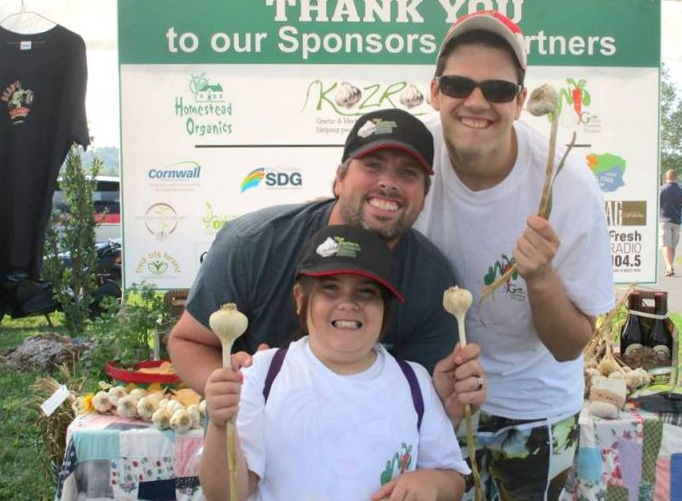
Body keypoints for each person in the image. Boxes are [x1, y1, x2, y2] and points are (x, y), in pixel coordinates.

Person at [168, 107, 485, 422]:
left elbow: (419, 405)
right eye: (373, 166)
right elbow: (188, 341)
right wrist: (239, 388)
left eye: (408, 173)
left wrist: (445, 400)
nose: (388, 183)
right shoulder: (252, 244)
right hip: (256, 446)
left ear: (424, 196)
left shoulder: (432, 280)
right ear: (339, 179)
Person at [413, 10, 615, 500]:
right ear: (436, 91)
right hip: (434, 399)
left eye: (498, 89)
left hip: (534, 409)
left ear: (521, 102)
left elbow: (571, 346)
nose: (477, 101)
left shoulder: (568, 189)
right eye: (459, 84)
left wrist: (541, 276)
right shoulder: (410, 158)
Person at [198, 225, 470, 501]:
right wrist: (221, 427)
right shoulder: (262, 374)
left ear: (386, 308)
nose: (348, 304)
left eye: (366, 292)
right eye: (330, 288)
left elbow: (453, 478)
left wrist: (431, 483)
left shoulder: (415, 381)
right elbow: (224, 494)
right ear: (300, 299)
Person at [659, 169, 682, 276]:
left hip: (663, 221)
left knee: (666, 245)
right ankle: (670, 266)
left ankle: (669, 266)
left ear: (666, 177)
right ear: (676, 178)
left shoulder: (660, 190)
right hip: (677, 222)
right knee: (672, 247)